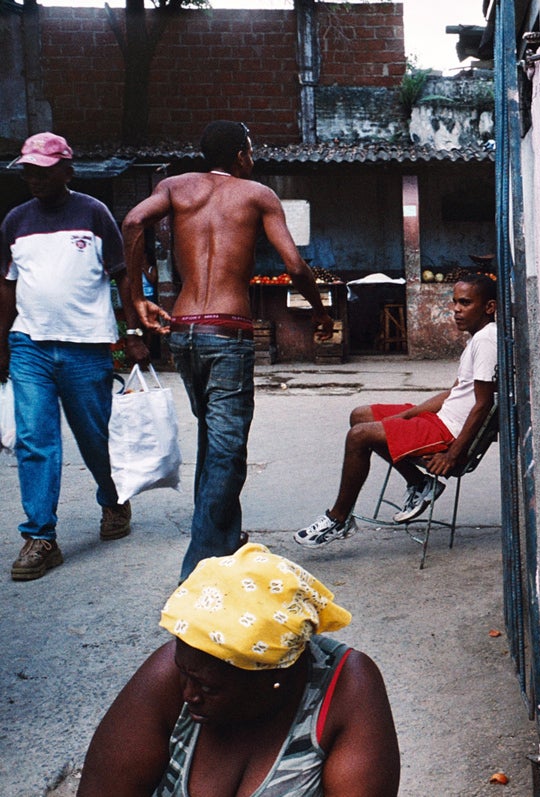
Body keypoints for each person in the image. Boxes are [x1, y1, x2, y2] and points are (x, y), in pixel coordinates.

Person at [122, 120, 334, 579]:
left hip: (184, 331)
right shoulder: (257, 194)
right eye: (251, 150)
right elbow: (294, 264)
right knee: (226, 451)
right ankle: (198, 568)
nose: (253, 158)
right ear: (240, 154)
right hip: (228, 331)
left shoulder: (175, 187)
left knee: (214, 438)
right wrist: (319, 309)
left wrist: (137, 299)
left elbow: (134, 219)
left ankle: (225, 534)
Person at [77, 541, 401, 796]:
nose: (188, 694)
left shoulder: (346, 690)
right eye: (185, 674)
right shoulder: (171, 674)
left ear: (277, 674)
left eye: (208, 688)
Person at [0, 131, 150, 581]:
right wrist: (2, 343)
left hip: (86, 345)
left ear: (67, 170)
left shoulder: (93, 213)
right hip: (30, 345)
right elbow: (6, 285)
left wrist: (134, 333)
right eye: (28, 170)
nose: (34, 179)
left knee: (94, 437)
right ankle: (40, 536)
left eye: (43, 171)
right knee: (34, 440)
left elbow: (124, 277)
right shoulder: (15, 221)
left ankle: (114, 500)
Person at [294, 273, 498, 547]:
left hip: (447, 432)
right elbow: (454, 392)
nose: (456, 310)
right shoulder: (478, 337)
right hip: (440, 420)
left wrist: (453, 454)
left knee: (359, 435)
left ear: (489, 307)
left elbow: (483, 404)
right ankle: (420, 483)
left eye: (465, 303)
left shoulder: (487, 341)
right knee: (361, 414)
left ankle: (338, 519)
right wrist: (406, 415)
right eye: (454, 302)